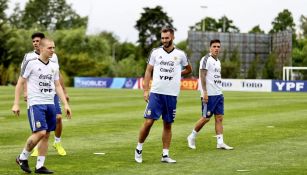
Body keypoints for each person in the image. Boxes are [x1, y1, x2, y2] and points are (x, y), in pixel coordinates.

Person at [12, 38, 72, 174]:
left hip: (50, 102)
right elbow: (20, 83)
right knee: (40, 132)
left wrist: (66, 104)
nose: (53, 51)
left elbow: (57, 85)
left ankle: (40, 166)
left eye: (54, 48)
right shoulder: (30, 63)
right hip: (36, 103)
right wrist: (16, 103)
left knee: (46, 135)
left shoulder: (54, 66)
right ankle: (22, 157)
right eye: (50, 48)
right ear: (42, 48)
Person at [134, 26, 192, 163]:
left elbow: (189, 69)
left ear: (172, 37)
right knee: (149, 122)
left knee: (168, 124)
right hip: (156, 93)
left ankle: (165, 155)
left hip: (172, 95)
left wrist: (178, 73)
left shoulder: (181, 54)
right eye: (162, 38)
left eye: (167, 38)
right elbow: (148, 71)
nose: (164, 40)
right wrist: (146, 90)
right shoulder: (155, 52)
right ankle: (139, 148)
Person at [21, 32, 69, 156]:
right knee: (39, 124)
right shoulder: (28, 57)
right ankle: (37, 146)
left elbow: (57, 76)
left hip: (51, 93)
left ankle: (57, 142)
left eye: (38, 40)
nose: (36, 43)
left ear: (42, 43)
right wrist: (25, 91)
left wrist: (64, 92)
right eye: (34, 41)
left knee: (58, 117)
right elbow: (24, 77)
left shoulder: (53, 56)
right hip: (36, 95)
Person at [187, 39, 233, 150]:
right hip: (209, 94)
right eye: (214, 46)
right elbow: (202, 76)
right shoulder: (206, 59)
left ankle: (220, 142)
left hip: (218, 93)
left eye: (218, 46)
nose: (217, 48)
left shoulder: (218, 61)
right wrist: (205, 92)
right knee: (206, 118)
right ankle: (191, 136)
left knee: (219, 118)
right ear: (210, 48)